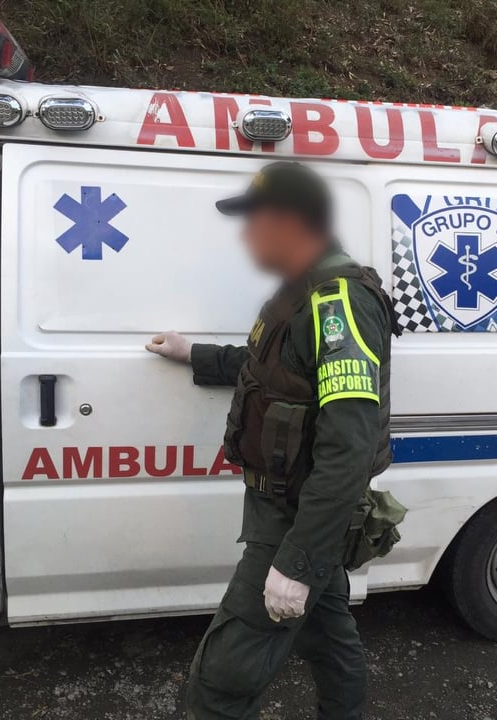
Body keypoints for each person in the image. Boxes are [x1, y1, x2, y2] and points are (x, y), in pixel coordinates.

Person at [146, 161, 399, 720]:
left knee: (223, 679)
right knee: (327, 637)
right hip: (289, 506)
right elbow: (273, 370)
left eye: (255, 222)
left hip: (297, 514)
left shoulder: (339, 304)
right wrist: (194, 354)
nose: (246, 237)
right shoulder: (300, 292)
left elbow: (349, 449)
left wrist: (298, 561)